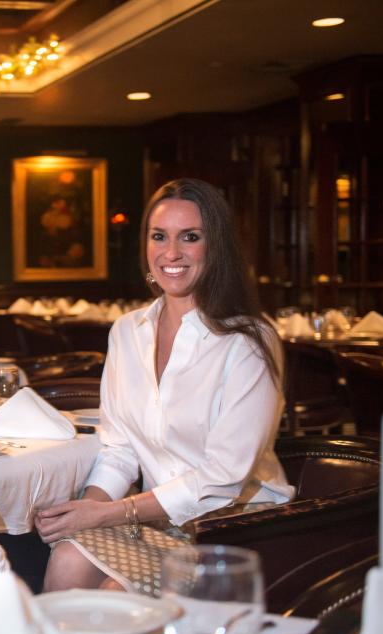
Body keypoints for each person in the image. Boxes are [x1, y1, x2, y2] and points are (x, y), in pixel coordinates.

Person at [37, 178, 294, 595]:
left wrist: (106, 516)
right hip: (157, 520)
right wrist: (89, 507)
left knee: (110, 602)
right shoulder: (126, 331)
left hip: (237, 528)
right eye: (160, 236)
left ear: (217, 247)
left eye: (190, 237)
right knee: (67, 558)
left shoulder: (249, 341)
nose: (171, 253)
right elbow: (119, 450)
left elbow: (223, 478)